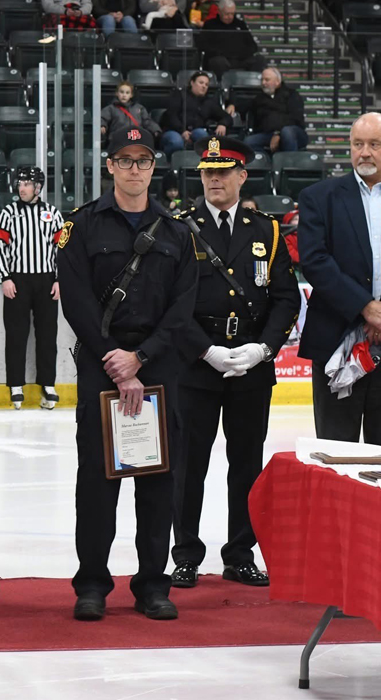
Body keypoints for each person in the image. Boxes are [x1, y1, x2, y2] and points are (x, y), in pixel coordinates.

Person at [57, 127, 196, 622]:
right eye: (125, 159)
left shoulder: (177, 232)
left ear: (153, 167)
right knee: (96, 481)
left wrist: (141, 358)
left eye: (144, 160)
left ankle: (153, 585)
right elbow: (75, 301)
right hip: (101, 365)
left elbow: (183, 308)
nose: (135, 168)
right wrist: (115, 358)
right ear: (109, 165)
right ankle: (92, 583)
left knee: (158, 481)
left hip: (158, 366)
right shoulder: (83, 227)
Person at [169, 137, 299, 590]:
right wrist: (205, 350)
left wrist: (263, 349)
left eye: (224, 171)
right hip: (196, 366)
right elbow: (172, 303)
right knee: (189, 466)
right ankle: (185, 554)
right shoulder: (181, 227)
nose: (215, 179)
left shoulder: (268, 229)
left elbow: (285, 299)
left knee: (246, 464)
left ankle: (240, 553)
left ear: (242, 176)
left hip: (251, 366)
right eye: (208, 172)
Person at [298, 112, 381, 442]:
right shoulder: (319, 197)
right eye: (358, 144)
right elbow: (315, 262)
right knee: (335, 456)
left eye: (374, 144)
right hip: (335, 344)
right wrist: (366, 308)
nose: (365, 152)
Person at [0, 165, 64, 410]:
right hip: (18, 280)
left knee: (48, 335)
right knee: (16, 334)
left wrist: (59, 279)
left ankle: (48, 384)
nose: (21, 188)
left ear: (38, 187)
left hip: (46, 281)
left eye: (26, 184)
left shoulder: (53, 213)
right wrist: (5, 277)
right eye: (19, 184)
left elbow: (61, 249)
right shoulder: (9, 212)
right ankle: (15, 385)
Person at [159, 72, 235, 157]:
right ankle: (171, 164)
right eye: (201, 83)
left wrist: (222, 124)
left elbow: (226, 117)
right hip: (174, 130)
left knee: (203, 136)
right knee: (176, 142)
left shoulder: (208, 102)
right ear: (192, 83)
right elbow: (171, 115)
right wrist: (182, 130)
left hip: (194, 131)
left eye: (206, 84)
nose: (204, 86)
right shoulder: (179, 95)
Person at [244, 67, 308, 155]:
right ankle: (271, 161)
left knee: (287, 132)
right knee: (249, 142)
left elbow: (295, 118)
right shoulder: (258, 99)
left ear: (277, 81)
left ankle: (289, 163)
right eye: (262, 80)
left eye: (267, 80)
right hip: (268, 134)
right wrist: (232, 104)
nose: (263, 83)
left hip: (293, 132)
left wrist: (278, 133)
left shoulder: (292, 95)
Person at [199, 0, 265, 76]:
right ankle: (221, 86)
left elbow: (252, 45)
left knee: (259, 59)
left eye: (232, 14)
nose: (230, 17)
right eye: (227, 14)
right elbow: (202, 45)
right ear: (219, 11)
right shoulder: (210, 25)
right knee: (218, 62)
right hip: (221, 58)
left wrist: (243, 53)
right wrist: (219, 53)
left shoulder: (240, 24)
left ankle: (254, 85)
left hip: (241, 59)